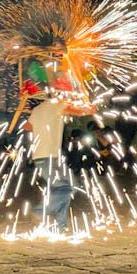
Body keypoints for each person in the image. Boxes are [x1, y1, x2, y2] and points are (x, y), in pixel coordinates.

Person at [25, 92, 95, 231]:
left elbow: (27, 127)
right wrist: (90, 108)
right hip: (48, 156)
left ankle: (60, 224)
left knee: (69, 186)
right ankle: (40, 211)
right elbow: (84, 112)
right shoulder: (57, 105)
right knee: (67, 188)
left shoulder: (37, 110)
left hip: (41, 156)